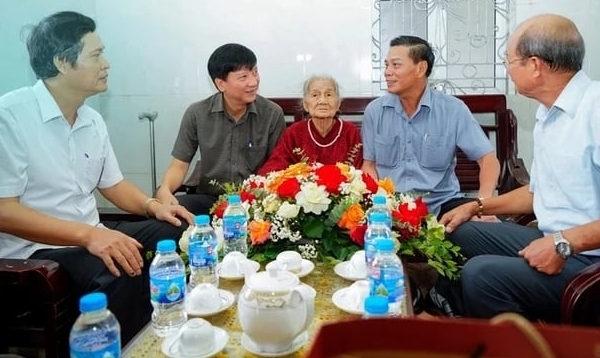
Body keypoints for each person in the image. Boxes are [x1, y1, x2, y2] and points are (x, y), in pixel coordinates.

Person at [0, 11, 194, 344]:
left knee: (177, 229)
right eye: (96, 54)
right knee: (120, 268)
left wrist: (152, 206)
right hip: (34, 251)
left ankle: (173, 330)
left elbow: (113, 185)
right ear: (63, 62)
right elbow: (4, 210)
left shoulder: (91, 120)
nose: (106, 63)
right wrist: (88, 236)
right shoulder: (11, 117)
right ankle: (126, 348)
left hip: (91, 233)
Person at [438, 13, 600, 322]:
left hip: (588, 259)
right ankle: (467, 325)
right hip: (553, 236)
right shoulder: (549, 114)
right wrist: (476, 205)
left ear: (535, 65)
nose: (507, 69)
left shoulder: (595, 110)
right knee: (456, 232)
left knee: (480, 276)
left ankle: (523, 345)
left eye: (509, 61)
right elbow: (538, 193)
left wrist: (563, 244)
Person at [361, 35, 500, 218]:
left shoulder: (453, 110)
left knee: (484, 234)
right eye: (387, 65)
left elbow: (488, 160)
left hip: (442, 205)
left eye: (396, 65)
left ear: (421, 68)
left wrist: (483, 205)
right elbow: (369, 166)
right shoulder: (375, 111)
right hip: (391, 207)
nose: (387, 72)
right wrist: (379, 202)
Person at [156, 43, 286, 214]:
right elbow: (179, 165)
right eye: (243, 77)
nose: (253, 82)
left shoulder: (272, 114)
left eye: (255, 72)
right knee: (171, 216)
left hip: (255, 201)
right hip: (209, 199)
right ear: (221, 83)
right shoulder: (197, 113)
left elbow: (277, 167)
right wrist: (165, 190)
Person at [257, 75, 363, 175]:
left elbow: (358, 173)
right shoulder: (294, 132)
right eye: (315, 95)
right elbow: (276, 166)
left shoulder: (350, 132)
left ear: (338, 104)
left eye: (329, 95)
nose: (322, 101)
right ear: (306, 105)